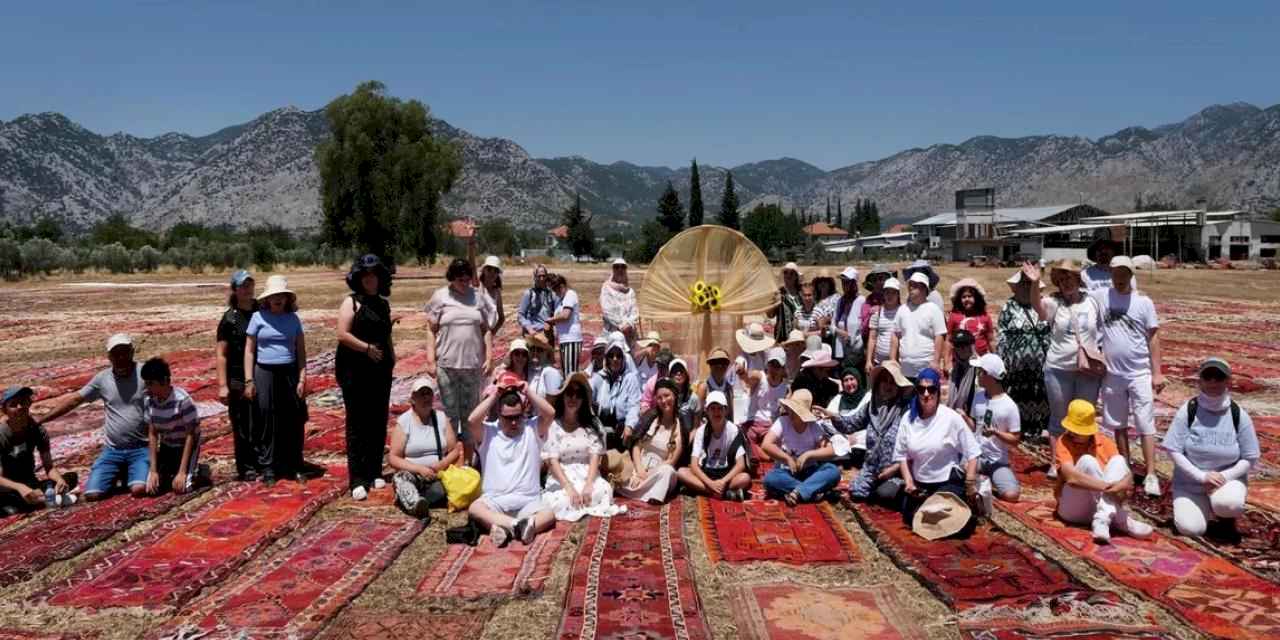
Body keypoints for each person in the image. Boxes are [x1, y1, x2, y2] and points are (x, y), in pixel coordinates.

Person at [37, 334, 149, 500]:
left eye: (125, 352)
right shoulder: (102, 379)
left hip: (141, 447)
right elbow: (75, 400)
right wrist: (43, 419)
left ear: (132, 352)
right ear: (109, 356)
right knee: (92, 494)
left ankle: (136, 470)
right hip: (113, 449)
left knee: (139, 489)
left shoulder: (145, 373)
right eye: (116, 354)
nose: (121, 357)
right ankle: (121, 471)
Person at [1161, 357, 1260, 538]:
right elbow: (1173, 449)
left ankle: (1225, 517)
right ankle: (1201, 508)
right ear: (1200, 380)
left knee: (1229, 504)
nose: (1213, 381)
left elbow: (1250, 457)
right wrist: (1201, 476)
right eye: (1208, 376)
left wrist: (1223, 476)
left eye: (1219, 377)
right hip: (1191, 483)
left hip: (1225, 482)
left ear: (1228, 381)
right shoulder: (1188, 410)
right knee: (1191, 529)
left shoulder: (1238, 414)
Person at [1093, 256, 1165, 496]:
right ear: (1111, 273)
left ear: (1131, 274)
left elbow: (1153, 337)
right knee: (1118, 424)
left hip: (1139, 372)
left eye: (1125, 272)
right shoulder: (1102, 296)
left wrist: (1157, 373)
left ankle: (1151, 473)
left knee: (1145, 424)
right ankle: (1124, 466)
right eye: (1116, 272)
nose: (1120, 277)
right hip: (1113, 373)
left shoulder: (1143, 302)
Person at [1024, 260, 1102, 480]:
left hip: (1087, 369)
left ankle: (1085, 461)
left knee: (1085, 416)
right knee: (1059, 418)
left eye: (1070, 278)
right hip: (1058, 368)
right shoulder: (1053, 302)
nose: (1066, 283)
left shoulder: (1093, 302)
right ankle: (1057, 462)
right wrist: (1034, 282)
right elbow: (1037, 308)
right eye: (1062, 279)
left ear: (1079, 279)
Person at [466, 383, 557, 547]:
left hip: (528, 501)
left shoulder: (532, 429)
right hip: (495, 501)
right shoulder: (488, 433)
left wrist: (527, 391)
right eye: (508, 418)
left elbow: (550, 413)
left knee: (549, 514)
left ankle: (504, 528)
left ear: (523, 414)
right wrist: (495, 395)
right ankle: (518, 526)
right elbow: (472, 420)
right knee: (475, 508)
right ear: (498, 415)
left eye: (517, 416)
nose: (514, 422)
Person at [336, 255, 396, 501]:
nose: (371, 280)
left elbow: (387, 335)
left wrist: (391, 357)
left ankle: (374, 471)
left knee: (377, 420)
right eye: (366, 275)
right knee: (357, 424)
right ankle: (357, 478)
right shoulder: (351, 302)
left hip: (380, 371)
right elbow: (342, 334)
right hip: (355, 370)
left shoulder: (382, 304)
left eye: (375, 275)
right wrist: (367, 348)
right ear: (359, 278)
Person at [1055, 399, 1153, 544]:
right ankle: (1122, 519)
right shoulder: (1063, 441)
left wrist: (1123, 483)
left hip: (1097, 506)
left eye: (1078, 430)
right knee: (1088, 461)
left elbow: (1127, 476)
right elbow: (1072, 478)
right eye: (1071, 429)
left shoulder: (1104, 442)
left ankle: (1102, 519)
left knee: (1119, 460)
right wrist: (1108, 486)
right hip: (1072, 509)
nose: (1072, 433)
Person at [893, 368, 981, 528]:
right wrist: (909, 482)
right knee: (909, 516)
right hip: (920, 484)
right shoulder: (908, 418)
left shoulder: (951, 418)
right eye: (921, 389)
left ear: (938, 392)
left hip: (946, 482)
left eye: (931, 389)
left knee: (952, 517)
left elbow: (973, 452)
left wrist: (969, 483)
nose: (926, 394)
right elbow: (901, 455)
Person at [244, 276, 310, 485]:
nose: (278, 299)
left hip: (289, 371)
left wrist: (302, 377)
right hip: (264, 372)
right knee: (266, 418)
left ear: (287, 298)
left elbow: (300, 350)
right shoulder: (257, 317)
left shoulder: (293, 319)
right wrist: (249, 380)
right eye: (274, 296)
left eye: (281, 296)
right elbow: (249, 350)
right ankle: (269, 466)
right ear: (267, 299)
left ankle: (295, 465)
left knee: (293, 419)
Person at [426, 258, 496, 450]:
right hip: (446, 366)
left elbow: (486, 329)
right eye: (460, 280)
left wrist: (489, 357)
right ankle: (450, 456)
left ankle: (468, 458)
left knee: (470, 414)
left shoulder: (478, 297)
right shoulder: (440, 297)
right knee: (450, 413)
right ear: (451, 278)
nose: (464, 284)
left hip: (472, 366)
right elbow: (431, 329)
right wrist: (430, 359)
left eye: (467, 279)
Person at [819, 362, 913, 504]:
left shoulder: (905, 411)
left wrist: (894, 469)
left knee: (884, 494)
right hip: (872, 468)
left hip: (896, 470)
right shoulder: (871, 407)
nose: (888, 386)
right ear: (878, 384)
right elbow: (850, 425)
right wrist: (833, 416)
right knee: (856, 492)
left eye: (892, 382)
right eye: (884, 381)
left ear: (898, 386)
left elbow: (912, 449)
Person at [541, 372, 624, 521]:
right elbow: (552, 461)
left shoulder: (592, 424)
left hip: (587, 473)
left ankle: (581, 507)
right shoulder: (553, 425)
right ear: (563, 396)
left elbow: (595, 457)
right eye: (570, 393)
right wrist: (568, 487)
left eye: (578, 394)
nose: (573, 398)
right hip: (562, 475)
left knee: (603, 490)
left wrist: (589, 484)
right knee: (560, 499)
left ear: (583, 399)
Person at [389, 377, 460, 518]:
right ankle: (415, 503)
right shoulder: (404, 421)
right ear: (413, 399)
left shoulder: (441, 418)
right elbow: (393, 457)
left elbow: (454, 449)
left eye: (429, 393)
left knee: (450, 485)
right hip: (413, 473)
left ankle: (420, 498)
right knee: (401, 478)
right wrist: (419, 469)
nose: (426, 397)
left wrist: (442, 464)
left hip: (437, 474)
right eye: (422, 394)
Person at [0, 387, 77, 513]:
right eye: (13, 405)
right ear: (5, 410)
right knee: (13, 508)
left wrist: (59, 480)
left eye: (23, 402)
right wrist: (20, 487)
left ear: (29, 404)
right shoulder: (2, 434)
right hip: (6, 487)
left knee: (70, 478)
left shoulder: (38, 430)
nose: (20, 407)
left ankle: (37, 497)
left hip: (29, 482)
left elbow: (49, 467)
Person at [216, 270, 258, 481]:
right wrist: (223, 385)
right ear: (235, 290)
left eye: (250, 285)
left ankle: (263, 460)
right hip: (237, 377)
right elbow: (222, 354)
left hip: (261, 373)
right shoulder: (229, 319)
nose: (247, 289)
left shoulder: (262, 309)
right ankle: (246, 466)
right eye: (243, 286)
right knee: (242, 424)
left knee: (261, 419)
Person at [141, 358, 207, 496]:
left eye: (150, 383)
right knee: (153, 487)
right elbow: (152, 434)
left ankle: (198, 473)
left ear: (164, 381)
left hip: (185, 445)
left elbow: (191, 435)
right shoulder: (149, 401)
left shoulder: (182, 401)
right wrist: (153, 470)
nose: (147, 388)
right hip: (167, 445)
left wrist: (183, 472)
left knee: (182, 487)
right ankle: (170, 470)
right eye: (146, 383)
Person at [997, 270, 1050, 440]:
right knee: (1018, 394)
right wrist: (1002, 360)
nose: (1027, 287)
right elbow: (1002, 334)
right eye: (1023, 283)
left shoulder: (1043, 305)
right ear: (1016, 287)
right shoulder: (1009, 306)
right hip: (1015, 364)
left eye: (1030, 283)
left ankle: (1040, 428)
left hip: (1042, 361)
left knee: (1040, 393)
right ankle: (1020, 428)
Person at [762, 390, 840, 505]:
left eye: (796, 411)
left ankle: (799, 492)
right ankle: (811, 490)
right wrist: (787, 459)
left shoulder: (813, 426)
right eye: (791, 409)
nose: (791, 413)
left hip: (810, 471)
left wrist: (808, 455)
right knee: (770, 479)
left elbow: (831, 449)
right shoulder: (782, 421)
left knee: (833, 471)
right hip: (787, 472)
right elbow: (766, 445)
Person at [966, 354, 1021, 508]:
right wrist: (963, 418)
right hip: (976, 456)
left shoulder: (1009, 406)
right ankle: (981, 479)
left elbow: (1015, 439)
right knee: (955, 472)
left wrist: (997, 433)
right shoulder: (978, 396)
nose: (978, 375)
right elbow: (973, 425)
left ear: (989, 376)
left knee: (1012, 495)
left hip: (997, 460)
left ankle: (989, 481)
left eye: (980, 372)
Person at [676, 391, 752, 501]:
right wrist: (710, 483)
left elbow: (741, 464)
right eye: (713, 408)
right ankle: (724, 494)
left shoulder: (734, 430)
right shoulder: (701, 431)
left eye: (720, 408)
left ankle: (702, 490)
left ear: (726, 410)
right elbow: (694, 464)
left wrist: (723, 481)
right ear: (706, 411)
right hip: (706, 472)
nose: (716, 412)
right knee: (681, 472)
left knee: (744, 478)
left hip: (726, 473)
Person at [621, 379, 685, 503]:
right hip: (639, 467)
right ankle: (642, 492)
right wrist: (639, 471)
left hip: (658, 473)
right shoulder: (650, 418)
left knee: (668, 472)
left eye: (667, 396)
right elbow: (636, 447)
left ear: (675, 396)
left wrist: (647, 476)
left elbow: (671, 461)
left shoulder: (680, 426)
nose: (663, 401)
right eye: (659, 398)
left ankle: (649, 495)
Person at [890, 273, 947, 380]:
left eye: (915, 285)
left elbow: (940, 336)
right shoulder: (902, 309)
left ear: (924, 288)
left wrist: (936, 361)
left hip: (927, 368)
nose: (911, 288)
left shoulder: (933, 309)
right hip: (905, 370)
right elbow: (895, 335)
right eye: (910, 285)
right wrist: (893, 360)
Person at [739, 347, 791, 461]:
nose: (774, 369)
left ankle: (756, 453)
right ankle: (760, 453)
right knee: (745, 440)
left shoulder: (786, 387)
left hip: (770, 427)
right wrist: (743, 374)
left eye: (778, 366)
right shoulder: (759, 376)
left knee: (773, 447)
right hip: (752, 423)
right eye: (772, 364)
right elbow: (748, 379)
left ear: (783, 369)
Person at [591, 340, 641, 449]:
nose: (615, 359)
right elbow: (588, 398)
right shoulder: (599, 378)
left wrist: (629, 425)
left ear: (623, 359)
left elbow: (634, 405)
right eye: (611, 356)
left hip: (621, 431)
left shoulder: (630, 378)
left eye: (619, 356)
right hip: (601, 429)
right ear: (607, 359)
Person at [814, 267, 866, 372]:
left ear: (854, 283)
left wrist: (853, 339)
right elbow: (833, 325)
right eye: (843, 282)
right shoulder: (840, 301)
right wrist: (840, 332)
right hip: (840, 351)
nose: (845, 285)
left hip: (856, 352)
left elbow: (863, 326)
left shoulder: (861, 301)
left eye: (847, 282)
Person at [945, 278, 996, 367]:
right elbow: (948, 341)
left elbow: (991, 340)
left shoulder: (984, 316)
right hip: (959, 361)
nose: (967, 299)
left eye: (970, 296)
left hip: (981, 360)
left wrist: (995, 358)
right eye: (964, 297)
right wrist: (947, 362)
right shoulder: (954, 316)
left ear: (976, 298)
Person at [865, 277, 903, 372]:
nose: (889, 296)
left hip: (899, 363)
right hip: (879, 362)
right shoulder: (877, 313)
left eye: (893, 292)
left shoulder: (904, 312)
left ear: (898, 294)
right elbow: (872, 338)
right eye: (887, 292)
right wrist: (869, 360)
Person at [550, 273, 585, 374]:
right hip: (564, 339)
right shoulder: (562, 299)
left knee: (570, 372)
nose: (555, 293)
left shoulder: (570, 294)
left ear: (561, 286)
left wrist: (550, 320)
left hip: (572, 339)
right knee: (566, 371)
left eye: (555, 290)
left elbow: (565, 315)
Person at [600, 258, 640, 343]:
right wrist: (621, 326)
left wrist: (628, 324)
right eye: (616, 267)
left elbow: (635, 311)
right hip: (612, 332)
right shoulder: (607, 288)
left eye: (623, 267)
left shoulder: (630, 291)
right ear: (613, 269)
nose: (620, 270)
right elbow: (607, 311)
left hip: (629, 333)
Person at [517, 264, 558, 342]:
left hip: (547, 334)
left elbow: (556, 313)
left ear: (546, 277)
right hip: (532, 333)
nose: (541, 279)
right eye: (539, 276)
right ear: (534, 277)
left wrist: (551, 322)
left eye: (543, 276)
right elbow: (520, 316)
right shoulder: (528, 294)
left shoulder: (552, 294)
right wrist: (529, 328)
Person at [697, 349, 739, 422]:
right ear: (710, 365)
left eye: (723, 363)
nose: (719, 366)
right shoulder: (704, 388)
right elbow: (698, 416)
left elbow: (731, 414)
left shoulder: (729, 388)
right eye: (715, 362)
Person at [768, 262, 804, 343]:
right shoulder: (779, 293)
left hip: (800, 335)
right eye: (785, 273)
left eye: (791, 273)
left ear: (796, 276)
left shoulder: (802, 293)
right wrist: (773, 301)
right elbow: (770, 315)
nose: (788, 276)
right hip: (782, 337)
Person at [945, 330, 979, 414]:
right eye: (958, 345)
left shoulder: (979, 369)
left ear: (971, 346)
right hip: (956, 415)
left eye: (965, 345)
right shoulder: (954, 370)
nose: (961, 349)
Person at [638, 348, 674, 413]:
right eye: (659, 364)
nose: (660, 368)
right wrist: (645, 409)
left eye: (664, 365)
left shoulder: (676, 381)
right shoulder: (651, 383)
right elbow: (645, 402)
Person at [479, 255, 506, 334]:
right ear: (484, 270)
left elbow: (501, 318)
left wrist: (493, 332)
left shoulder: (497, 292)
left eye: (496, 270)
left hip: (488, 333)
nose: (492, 273)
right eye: (489, 269)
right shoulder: (478, 287)